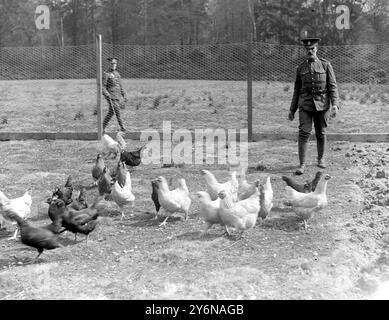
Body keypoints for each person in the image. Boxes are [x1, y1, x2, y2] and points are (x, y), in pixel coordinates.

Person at [288, 37, 339, 175]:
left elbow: (332, 86)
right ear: (305, 50)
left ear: (316, 49)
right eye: (307, 49)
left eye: (312, 49)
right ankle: (302, 165)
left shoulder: (325, 65)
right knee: (304, 132)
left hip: (322, 104)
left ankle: (321, 159)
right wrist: (292, 109)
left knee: (321, 133)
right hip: (305, 104)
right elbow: (296, 90)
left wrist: (335, 105)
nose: (310, 51)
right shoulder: (300, 68)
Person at [102, 57, 128, 133]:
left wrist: (124, 95)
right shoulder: (106, 73)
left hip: (117, 96)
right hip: (110, 96)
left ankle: (102, 127)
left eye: (115, 63)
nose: (113, 65)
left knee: (111, 112)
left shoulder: (117, 74)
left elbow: (120, 86)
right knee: (117, 110)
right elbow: (103, 86)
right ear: (109, 64)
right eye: (112, 63)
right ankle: (123, 128)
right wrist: (106, 94)